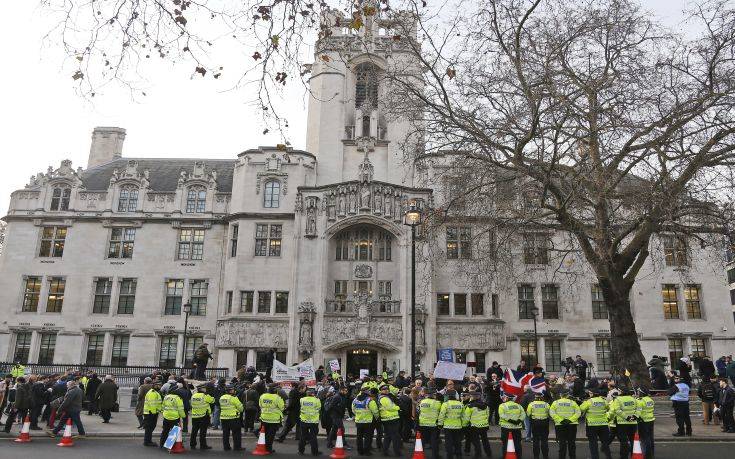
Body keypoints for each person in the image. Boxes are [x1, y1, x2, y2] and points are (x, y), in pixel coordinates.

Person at [580, 388, 611, 459]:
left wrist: (584, 402)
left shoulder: (589, 401)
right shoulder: (604, 401)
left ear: (593, 394)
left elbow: (581, 408)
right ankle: (609, 457)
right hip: (603, 424)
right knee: (605, 443)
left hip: (592, 425)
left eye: (590, 393)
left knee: (593, 443)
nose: (589, 394)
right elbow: (608, 408)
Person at [550, 389, 581, 459]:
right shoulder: (573, 402)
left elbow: (552, 413)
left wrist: (560, 420)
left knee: (562, 443)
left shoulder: (555, 402)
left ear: (560, 395)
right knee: (571, 443)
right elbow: (578, 412)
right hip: (572, 425)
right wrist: (570, 420)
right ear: (567, 395)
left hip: (560, 425)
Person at [609, 387, 640, 457]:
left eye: (619, 391)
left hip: (622, 423)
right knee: (632, 441)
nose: (618, 392)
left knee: (623, 441)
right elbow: (639, 408)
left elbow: (617, 410)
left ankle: (624, 456)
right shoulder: (634, 399)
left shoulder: (618, 399)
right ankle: (633, 455)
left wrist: (627, 417)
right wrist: (635, 416)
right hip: (633, 423)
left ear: (622, 392)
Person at [464, 391, 492, 459]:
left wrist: (464, 426)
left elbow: (466, 418)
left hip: (474, 427)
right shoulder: (485, 406)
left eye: (470, 397)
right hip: (484, 426)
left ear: (472, 397)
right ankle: (489, 453)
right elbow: (488, 415)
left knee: (476, 441)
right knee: (485, 440)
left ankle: (478, 454)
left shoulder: (470, 406)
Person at [353, 386, 379, 456]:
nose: (370, 392)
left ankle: (360, 451)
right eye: (369, 390)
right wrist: (376, 418)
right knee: (368, 437)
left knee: (359, 437)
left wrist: (358, 415)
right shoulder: (370, 400)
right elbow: (375, 411)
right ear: (367, 392)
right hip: (368, 422)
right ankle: (367, 451)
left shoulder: (355, 400)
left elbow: (353, 410)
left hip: (358, 421)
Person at [438, 389, 464, 459]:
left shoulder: (445, 404)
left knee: (449, 442)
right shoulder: (460, 404)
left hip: (448, 426)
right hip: (458, 426)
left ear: (447, 396)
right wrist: (463, 425)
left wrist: (440, 424)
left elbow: (442, 414)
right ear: (455, 396)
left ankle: (450, 456)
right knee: (457, 441)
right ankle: (459, 455)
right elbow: (463, 415)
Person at [260, 383, 285, 453]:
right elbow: (282, 407)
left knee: (264, 434)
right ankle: (268, 449)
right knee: (271, 435)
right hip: (273, 420)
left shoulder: (262, 396)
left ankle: (263, 446)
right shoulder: (277, 398)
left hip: (264, 418)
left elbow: (260, 405)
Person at [498, 393, 525, 458]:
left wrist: (510, 420)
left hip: (506, 427)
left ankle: (504, 456)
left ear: (507, 398)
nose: (504, 398)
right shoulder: (518, 405)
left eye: (504, 397)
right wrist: (519, 420)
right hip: (517, 427)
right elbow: (523, 414)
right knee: (517, 443)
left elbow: (502, 415)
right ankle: (519, 456)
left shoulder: (502, 405)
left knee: (505, 443)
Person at [417, 389, 442, 459]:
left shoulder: (421, 402)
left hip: (422, 424)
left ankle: (420, 455)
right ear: (434, 395)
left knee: (422, 441)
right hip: (433, 425)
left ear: (427, 395)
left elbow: (418, 411)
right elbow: (441, 412)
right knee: (434, 441)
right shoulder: (437, 403)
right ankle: (435, 456)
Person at [378, 383, 402, 456]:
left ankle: (385, 451)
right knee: (395, 436)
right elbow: (390, 408)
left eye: (387, 389)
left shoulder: (386, 397)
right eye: (384, 389)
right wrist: (398, 408)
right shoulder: (384, 398)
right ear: (381, 391)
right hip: (391, 419)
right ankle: (397, 452)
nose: (386, 390)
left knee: (388, 436)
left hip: (388, 419)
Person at [526, 391, 550, 459]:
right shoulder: (546, 404)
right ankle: (545, 456)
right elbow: (550, 414)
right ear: (542, 397)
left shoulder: (531, 404)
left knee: (536, 440)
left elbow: (528, 414)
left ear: (535, 397)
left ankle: (536, 456)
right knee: (544, 440)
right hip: (544, 423)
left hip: (535, 423)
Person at [299, 387, 322, 456]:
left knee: (303, 436)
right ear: (313, 394)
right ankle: (314, 452)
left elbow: (301, 407)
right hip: (313, 421)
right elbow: (319, 408)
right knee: (313, 437)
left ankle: (301, 450)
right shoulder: (317, 400)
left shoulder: (302, 399)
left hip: (304, 420)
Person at [220, 384, 244, 451]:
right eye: (233, 389)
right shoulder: (233, 398)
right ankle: (237, 447)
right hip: (233, 418)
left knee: (225, 433)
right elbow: (241, 408)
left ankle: (226, 447)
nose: (234, 391)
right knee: (236, 434)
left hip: (224, 418)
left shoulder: (221, 398)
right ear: (230, 391)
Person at [190, 384, 214, 450]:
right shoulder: (205, 396)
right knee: (203, 432)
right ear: (202, 389)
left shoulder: (193, 396)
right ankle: (203, 445)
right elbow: (212, 401)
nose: (205, 389)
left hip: (195, 416)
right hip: (203, 416)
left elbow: (191, 404)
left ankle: (192, 444)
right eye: (204, 388)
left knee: (194, 431)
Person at [636, 388, 655, 459]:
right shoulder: (650, 400)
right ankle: (652, 453)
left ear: (642, 393)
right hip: (651, 420)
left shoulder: (640, 401)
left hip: (643, 421)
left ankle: (647, 455)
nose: (638, 393)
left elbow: (638, 412)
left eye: (639, 392)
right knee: (650, 438)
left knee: (644, 438)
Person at [142, 380, 163, 447]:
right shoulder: (153, 393)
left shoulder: (155, 392)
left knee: (150, 427)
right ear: (155, 385)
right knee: (149, 428)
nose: (160, 386)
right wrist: (154, 413)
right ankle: (147, 442)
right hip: (150, 413)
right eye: (159, 385)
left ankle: (148, 441)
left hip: (151, 412)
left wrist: (159, 410)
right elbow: (152, 404)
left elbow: (157, 403)